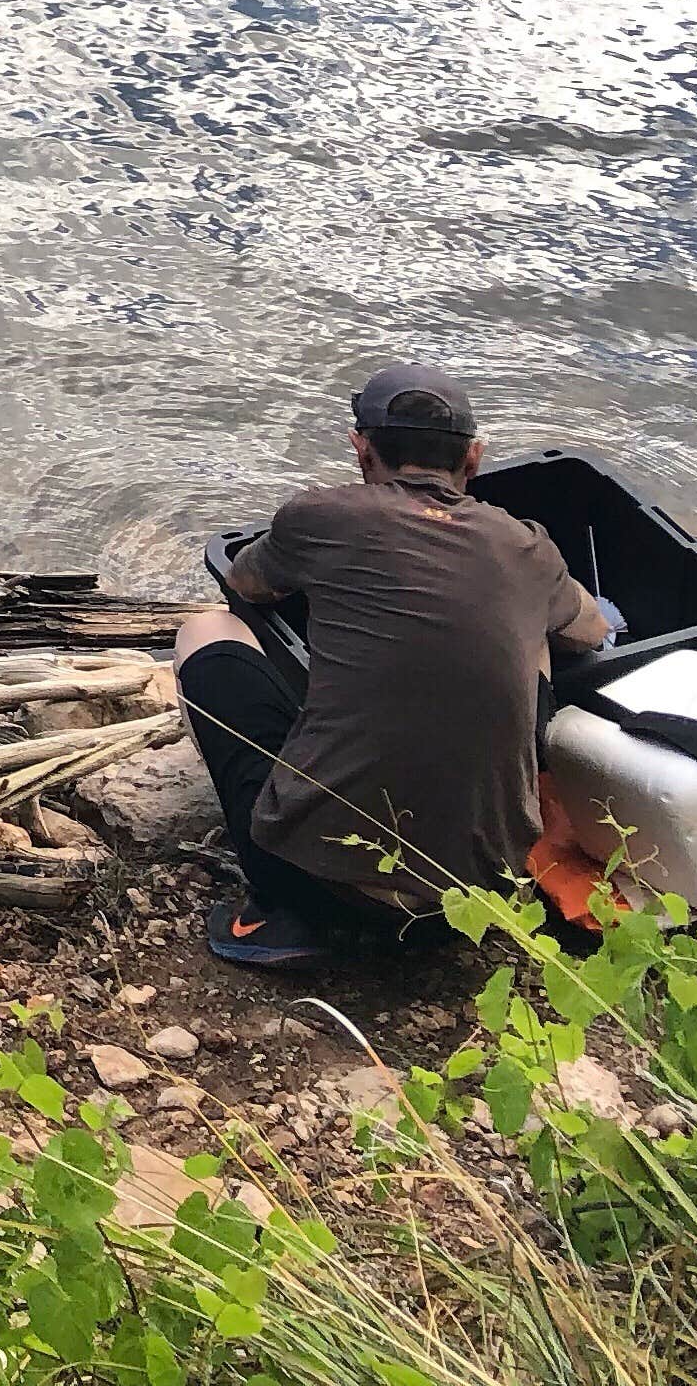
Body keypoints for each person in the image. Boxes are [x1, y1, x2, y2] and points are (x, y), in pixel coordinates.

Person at [176, 366, 612, 971]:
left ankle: (282, 904)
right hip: (477, 902)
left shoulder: (320, 518)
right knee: (537, 634)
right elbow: (592, 629)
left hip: (325, 892)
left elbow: (246, 582)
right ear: (475, 458)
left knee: (206, 629)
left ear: (361, 448)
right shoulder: (527, 546)